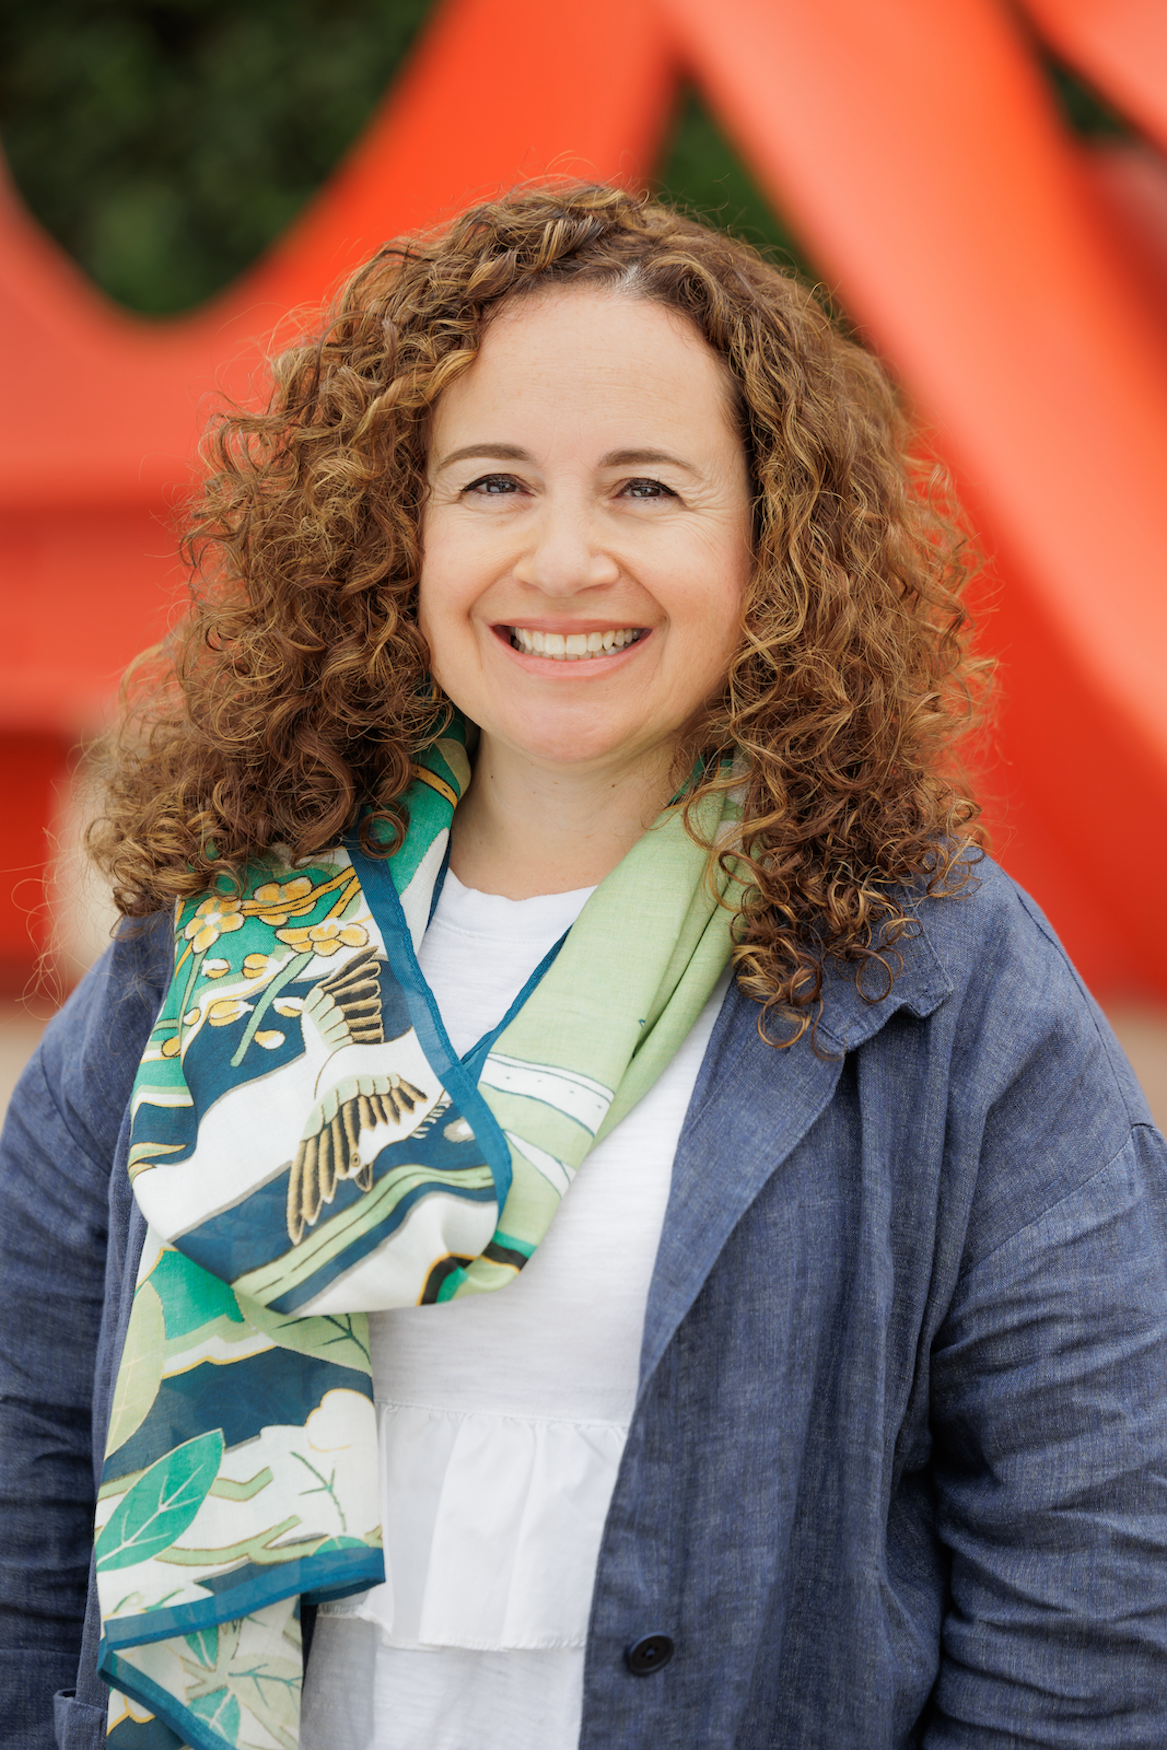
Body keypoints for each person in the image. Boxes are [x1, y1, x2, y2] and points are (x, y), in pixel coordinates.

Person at [2, 183, 1166, 1750]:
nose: (561, 560)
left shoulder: (934, 972)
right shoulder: (213, 944)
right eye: (492, 483)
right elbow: (23, 1455)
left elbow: (1091, 1555)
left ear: (770, 542)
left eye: (644, 490)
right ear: (393, 530)